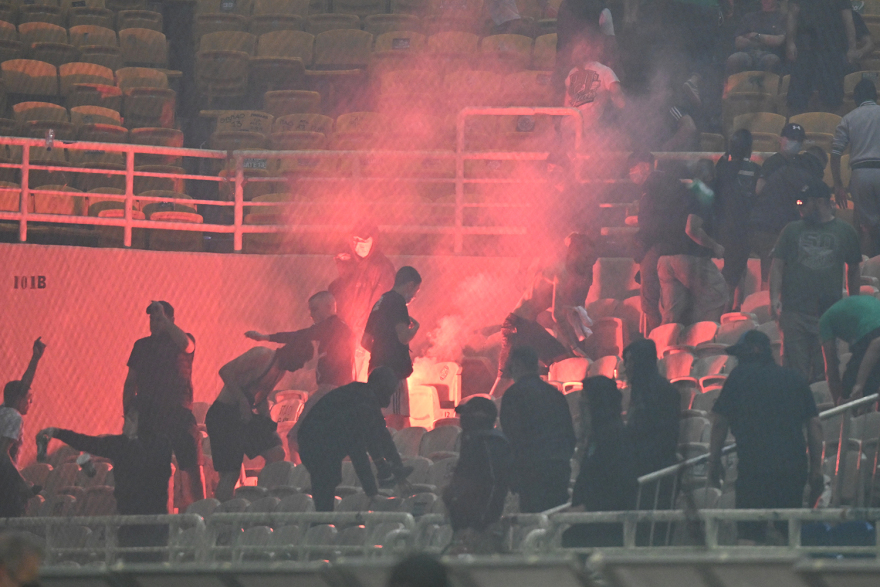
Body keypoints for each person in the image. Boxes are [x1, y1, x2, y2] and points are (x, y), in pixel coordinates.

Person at [709, 330, 824, 543]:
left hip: (754, 470)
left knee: (750, 535)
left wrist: (714, 462)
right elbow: (814, 425)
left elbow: (719, 424)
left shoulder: (738, 377)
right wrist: (816, 469)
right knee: (790, 533)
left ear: (755, 350)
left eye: (741, 354)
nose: (738, 360)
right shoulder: (795, 379)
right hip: (792, 470)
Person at [37, 405, 172, 560]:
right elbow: (87, 442)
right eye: (125, 419)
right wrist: (57, 432)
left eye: (131, 419)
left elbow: (155, 473)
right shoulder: (121, 444)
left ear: (143, 423)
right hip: (128, 521)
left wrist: (133, 443)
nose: (125, 424)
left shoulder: (160, 445)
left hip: (154, 522)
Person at [770, 177, 861, 382]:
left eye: (803, 202)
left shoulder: (846, 231)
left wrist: (853, 303)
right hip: (794, 313)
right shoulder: (791, 230)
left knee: (825, 374)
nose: (799, 207)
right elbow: (777, 266)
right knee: (794, 375)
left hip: (828, 315)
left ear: (820, 202)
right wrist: (774, 298)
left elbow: (854, 270)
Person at [245, 290, 355, 458]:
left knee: (295, 437)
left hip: (330, 391)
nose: (311, 315)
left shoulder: (331, 326)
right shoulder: (340, 328)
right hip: (338, 392)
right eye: (310, 311)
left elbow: (300, 335)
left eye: (315, 309)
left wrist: (265, 337)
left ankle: (304, 470)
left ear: (329, 306)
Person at [205, 336, 314, 501]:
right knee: (230, 474)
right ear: (294, 352)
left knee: (277, 453)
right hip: (223, 415)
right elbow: (225, 371)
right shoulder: (262, 355)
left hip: (244, 417)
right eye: (301, 360)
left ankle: (262, 498)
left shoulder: (280, 372)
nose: (300, 366)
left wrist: (268, 425)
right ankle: (222, 512)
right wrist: (242, 400)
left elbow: (261, 398)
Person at [489, 233, 597, 397]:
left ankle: (548, 400)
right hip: (516, 326)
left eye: (592, 259)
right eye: (586, 257)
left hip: (529, 326)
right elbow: (557, 315)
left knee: (562, 359)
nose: (589, 262)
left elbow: (570, 308)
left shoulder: (569, 273)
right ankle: (486, 409)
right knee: (503, 380)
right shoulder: (561, 271)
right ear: (575, 252)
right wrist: (574, 346)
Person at [296, 366, 411, 512]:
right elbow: (363, 448)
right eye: (389, 392)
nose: (388, 400)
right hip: (318, 443)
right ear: (382, 389)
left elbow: (376, 436)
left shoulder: (359, 394)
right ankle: (323, 520)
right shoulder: (365, 404)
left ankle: (323, 518)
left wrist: (394, 469)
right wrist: (373, 491)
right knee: (327, 483)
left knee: (326, 484)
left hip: (310, 441)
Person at [123, 301, 203, 509]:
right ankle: (161, 516)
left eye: (159, 319)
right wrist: (128, 414)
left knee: (192, 466)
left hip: (179, 413)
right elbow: (130, 382)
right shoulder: (141, 346)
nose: (154, 323)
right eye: (152, 319)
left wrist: (166, 323)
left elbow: (187, 345)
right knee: (154, 471)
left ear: (171, 320)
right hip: (149, 415)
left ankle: (200, 513)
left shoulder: (182, 340)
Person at [562, 376, 637, 547]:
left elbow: (619, 486)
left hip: (604, 529)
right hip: (589, 524)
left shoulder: (615, 437)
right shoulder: (597, 436)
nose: (580, 408)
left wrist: (586, 508)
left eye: (585, 401)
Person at [499, 346, 576, 514]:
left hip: (530, 474)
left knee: (533, 522)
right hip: (558, 470)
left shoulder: (513, 395)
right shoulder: (555, 395)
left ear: (517, 365)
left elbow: (511, 438)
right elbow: (570, 436)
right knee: (555, 520)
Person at [655, 157, 729, 325]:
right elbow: (692, 228)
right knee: (717, 298)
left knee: (671, 316)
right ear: (710, 176)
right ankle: (708, 339)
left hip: (665, 260)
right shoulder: (702, 194)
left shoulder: (675, 194)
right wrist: (715, 246)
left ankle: (667, 342)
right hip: (689, 257)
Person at [630, 151, 691, 333]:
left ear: (645, 166)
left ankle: (655, 339)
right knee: (672, 303)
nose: (631, 173)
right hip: (679, 244)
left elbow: (650, 225)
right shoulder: (673, 181)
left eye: (633, 168)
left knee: (650, 301)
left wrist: (639, 247)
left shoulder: (651, 186)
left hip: (659, 246)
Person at [751, 145, 828, 288]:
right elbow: (809, 211)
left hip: (760, 228)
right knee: (775, 279)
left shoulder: (783, 170)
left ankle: (765, 298)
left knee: (769, 277)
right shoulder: (810, 181)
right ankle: (769, 300)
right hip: (778, 231)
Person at [443, 396, 512, 554]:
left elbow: (495, 486)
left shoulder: (490, 442)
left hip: (480, 529)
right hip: (466, 527)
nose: (462, 418)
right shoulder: (472, 440)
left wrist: (480, 525)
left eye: (467, 414)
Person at [328, 222, 395, 380]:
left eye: (365, 241)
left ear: (374, 241)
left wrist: (367, 334)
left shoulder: (382, 268)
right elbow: (342, 297)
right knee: (345, 379)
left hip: (366, 336)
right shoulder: (350, 264)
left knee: (362, 380)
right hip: (346, 335)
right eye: (356, 240)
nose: (360, 245)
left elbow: (382, 305)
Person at [363, 266, 422, 429]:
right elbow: (403, 337)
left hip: (375, 372)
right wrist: (415, 328)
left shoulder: (380, 302)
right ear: (410, 285)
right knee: (397, 420)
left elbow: (365, 341)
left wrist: (380, 354)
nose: (414, 296)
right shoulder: (398, 302)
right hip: (393, 372)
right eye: (416, 291)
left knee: (381, 419)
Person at [623, 339, 679, 505]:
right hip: (640, 470)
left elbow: (664, 437)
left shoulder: (663, 392)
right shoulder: (638, 392)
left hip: (656, 473)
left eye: (631, 361)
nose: (626, 367)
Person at [832, 78, 880, 256]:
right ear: (875, 96)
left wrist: (838, 185)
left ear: (855, 98)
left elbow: (835, 153)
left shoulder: (849, 118)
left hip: (861, 174)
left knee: (866, 228)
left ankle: (866, 268)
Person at [713, 129, 760, 310]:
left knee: (737, 271)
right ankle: (725, 314)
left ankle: (735, 309)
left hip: (724, 227)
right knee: (731, 277)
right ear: (750, 149)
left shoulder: (722, 168)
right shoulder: (756, 170)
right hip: (743, 229)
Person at [0, 338, 46, 519]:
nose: (30, 402)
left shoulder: (3, 411)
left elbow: (22, 386)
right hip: (6, 486)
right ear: (19, 399)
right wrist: (22, 483)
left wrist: (35, 359)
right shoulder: (14, 417)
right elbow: (2, 452)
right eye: (29, 399)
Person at [786, 0, 858, 113]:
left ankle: (830, 123)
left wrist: (852, 48)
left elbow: (848, 19)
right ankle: (796, 122)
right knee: (797, 98)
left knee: (832, 97)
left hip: (831, 49)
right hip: (805, 47)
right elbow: (793, 14)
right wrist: (790, 42)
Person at [819, 295, 880, 403]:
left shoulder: (825, 319)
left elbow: (831, 367)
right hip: (870, 333)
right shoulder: (855, 303)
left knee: (850, 389)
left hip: (870, 334)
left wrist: (857, 384)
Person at [562, 39, 626, 143]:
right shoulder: (572, 72)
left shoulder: (605, 71)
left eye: (579, 50)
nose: (575, 54)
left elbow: (620, 100)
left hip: (592, 131)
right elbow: (567, 103)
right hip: (570, 128)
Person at [726, 0, 787, 75]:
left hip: (769, 53)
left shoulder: (781, 17)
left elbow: (779, 40)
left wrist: (756, 36)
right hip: (747, 53)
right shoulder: (749, 17)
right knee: (734, 59)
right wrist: (765, 40)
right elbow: (738, 42)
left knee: (771, 60)